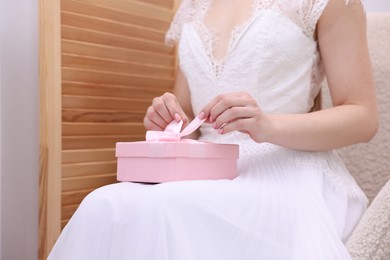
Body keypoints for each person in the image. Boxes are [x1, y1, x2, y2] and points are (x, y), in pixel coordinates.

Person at [48, 0, 378, 259]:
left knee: (162, 209)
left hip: (285, 170)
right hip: (205, 168)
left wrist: (269, 125)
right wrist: (169, 121)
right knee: (101, 203)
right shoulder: (192, 5)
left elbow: (363, 117)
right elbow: (189, 115)